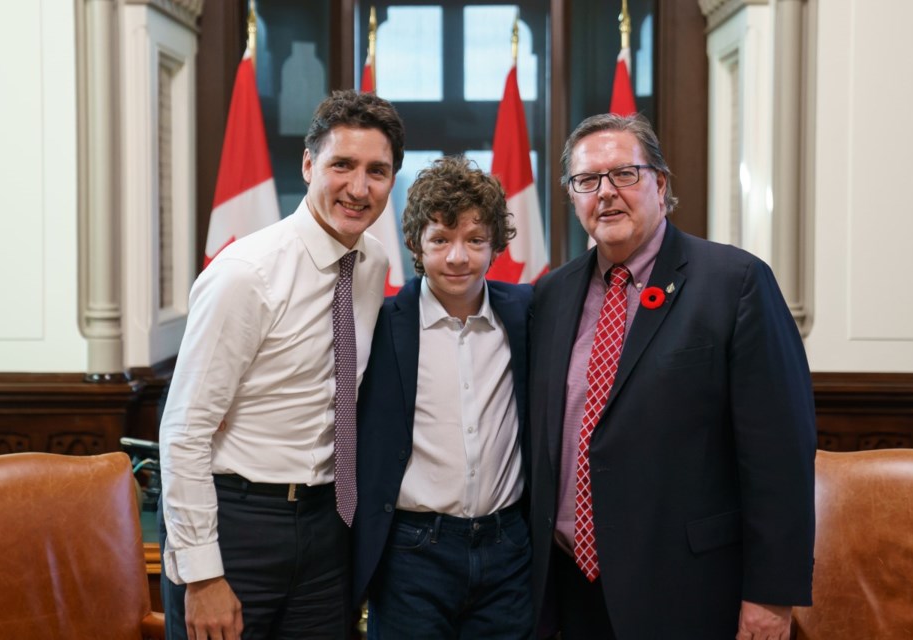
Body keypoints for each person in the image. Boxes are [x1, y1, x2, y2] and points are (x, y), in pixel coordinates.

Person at [528, 113, 816, 640]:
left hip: (688, 590)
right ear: (573, 197)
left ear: (661, 184)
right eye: (587, 181)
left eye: (624, 174)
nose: (606, 193)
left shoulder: (735, 284)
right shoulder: (551, 295)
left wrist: (771, 594)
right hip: (568, 589)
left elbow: (781, 454)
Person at [158, 89, 405, 640]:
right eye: (342, 165)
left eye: (377, 171)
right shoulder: (247, 273)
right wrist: (202, 576)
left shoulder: (372, 264)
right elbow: (184, 430)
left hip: (327, 525)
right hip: (238, 522)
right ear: (309, 163)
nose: (358, 188)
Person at [352, 155, 534, 639]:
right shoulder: (380, 324)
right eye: (441, 240)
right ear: (415, 243)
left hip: (508, 549)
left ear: (495, 244)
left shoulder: (526, 315)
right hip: (414, 553)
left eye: (475, 240)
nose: (458, 257)